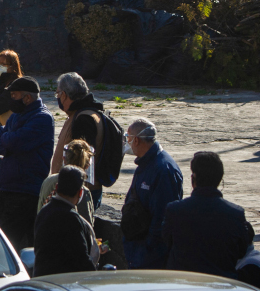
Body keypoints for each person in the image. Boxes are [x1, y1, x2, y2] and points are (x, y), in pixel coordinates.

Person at [162, 151, 254, 279]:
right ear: (220, 180)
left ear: (193, 179)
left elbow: (165, 241)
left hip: (183, 283)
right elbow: (242, 250)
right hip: (222, 283)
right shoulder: (235, 213)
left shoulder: (175, 210)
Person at [0, 76, 54, 251]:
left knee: (18, 243)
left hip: (27, 191)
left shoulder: (42, 118)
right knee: (7, 241)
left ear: (27, 98)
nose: (11, 100)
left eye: (14, 95)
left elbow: (13, 141)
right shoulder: (18, 116)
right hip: (9, 187)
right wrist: (7, 138)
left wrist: (7, 138)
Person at [121, 118, 183, 269]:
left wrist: (148, 249)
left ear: (136, 140)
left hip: (151, 254)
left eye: (128, 138)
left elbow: (163, 215)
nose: (127, 143)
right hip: (137, 248)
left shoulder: (163, 169)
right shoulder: (145, 163)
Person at [53, 72, 107, 209]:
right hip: (75, 190)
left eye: (58, 94)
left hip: (77, 193)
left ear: (64, 95)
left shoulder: (83, 119)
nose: (57, 98)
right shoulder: (79, 114)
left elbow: (81, 160)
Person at [33, 166, 99, 278]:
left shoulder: (44, 211)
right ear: (80, 193)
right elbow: (82, 260)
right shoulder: (72, 219)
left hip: (42, 280)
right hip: (63, 283)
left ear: (57, 187)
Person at [37, 139, 96, 226]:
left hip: (43, 232)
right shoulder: (82, 191)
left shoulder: (48, 181)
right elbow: (87, 225)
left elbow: (39, 210)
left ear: (64, 159)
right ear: (87, 165)